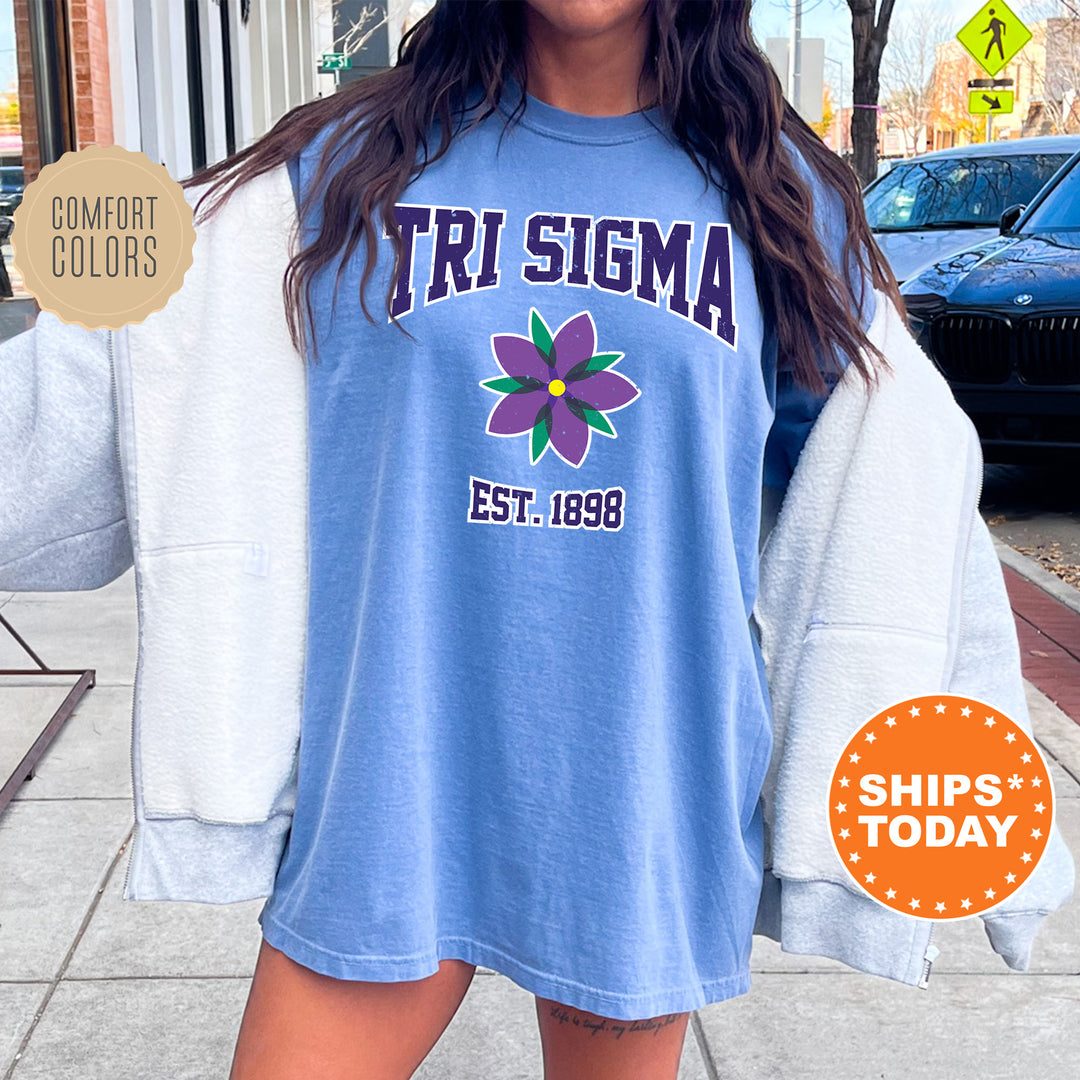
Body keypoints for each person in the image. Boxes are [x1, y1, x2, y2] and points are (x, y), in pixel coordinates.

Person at [10, 2, 1069, 1080]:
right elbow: (141, 373)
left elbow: (890, 496)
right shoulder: (338, 170)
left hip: (643, 790)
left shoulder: (779, 196)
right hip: (394, 782)